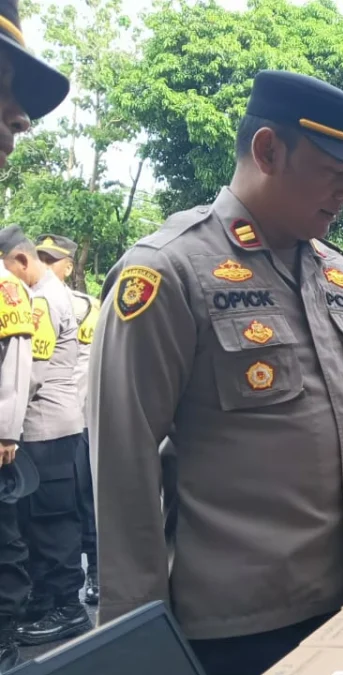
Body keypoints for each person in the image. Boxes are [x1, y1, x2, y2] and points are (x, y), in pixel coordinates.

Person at [88, 70, 343, 675]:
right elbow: (122, 465)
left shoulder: (341, 278)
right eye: (335, 174)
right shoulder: (170, 273)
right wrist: (135, 646)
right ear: (267, 151)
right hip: (237, 625)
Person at [0, 3, 69, 665]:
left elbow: (19, 362)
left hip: (43, 428)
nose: (20, 123)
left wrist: (6, 430)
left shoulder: (20, 291)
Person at [1, 228, 89, 646]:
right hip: (47, 428)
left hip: (46, 428)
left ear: (20, 261)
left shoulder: (43, 301)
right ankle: (46, 600)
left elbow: (29, 373)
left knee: (53, 521)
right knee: (37, 520)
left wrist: (6, 428)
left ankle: (68, 609)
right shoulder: (49, 295)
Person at [34, 234, 100, 606]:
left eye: (52, 259)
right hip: (59, 422)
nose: (46, 263)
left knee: (86, 501)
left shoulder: (88, 307)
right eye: (42, 256)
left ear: (69, 266)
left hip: (84, 419)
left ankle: (97, 573)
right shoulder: (33, 301)